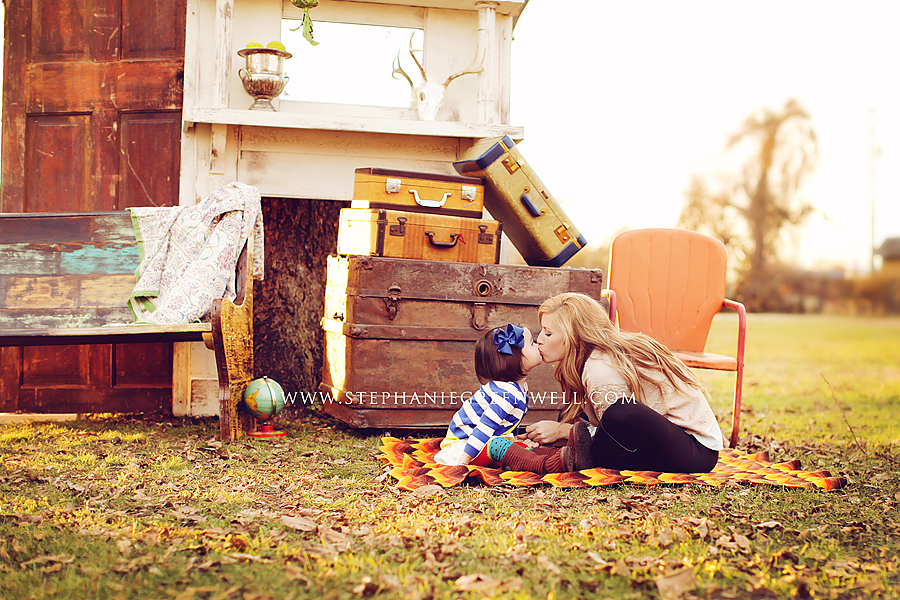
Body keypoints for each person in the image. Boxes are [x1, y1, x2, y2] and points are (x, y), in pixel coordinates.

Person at [522, 292, 723, 474]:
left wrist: (561, 431)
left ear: (574, 336)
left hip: (696, 451)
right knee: (570, 413)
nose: (540, 339)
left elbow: (614, 431)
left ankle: (553, 459)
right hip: (664, 438)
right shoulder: (588, 360)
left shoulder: (599, 369)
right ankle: (565, 453)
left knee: (621, 412)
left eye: (548, 333)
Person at [434, 324, 547, 467]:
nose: (537, 345)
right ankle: (537, 463)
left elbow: (507, 423)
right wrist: (464, 460)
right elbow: (485, 426)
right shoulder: (506, 394)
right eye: (532, 343)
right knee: (500, 446)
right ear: (514, 359)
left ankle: (556, 457)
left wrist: (514, 440)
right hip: (463, 447)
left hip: (483, 443)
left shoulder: (518, 388)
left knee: (524, 447)